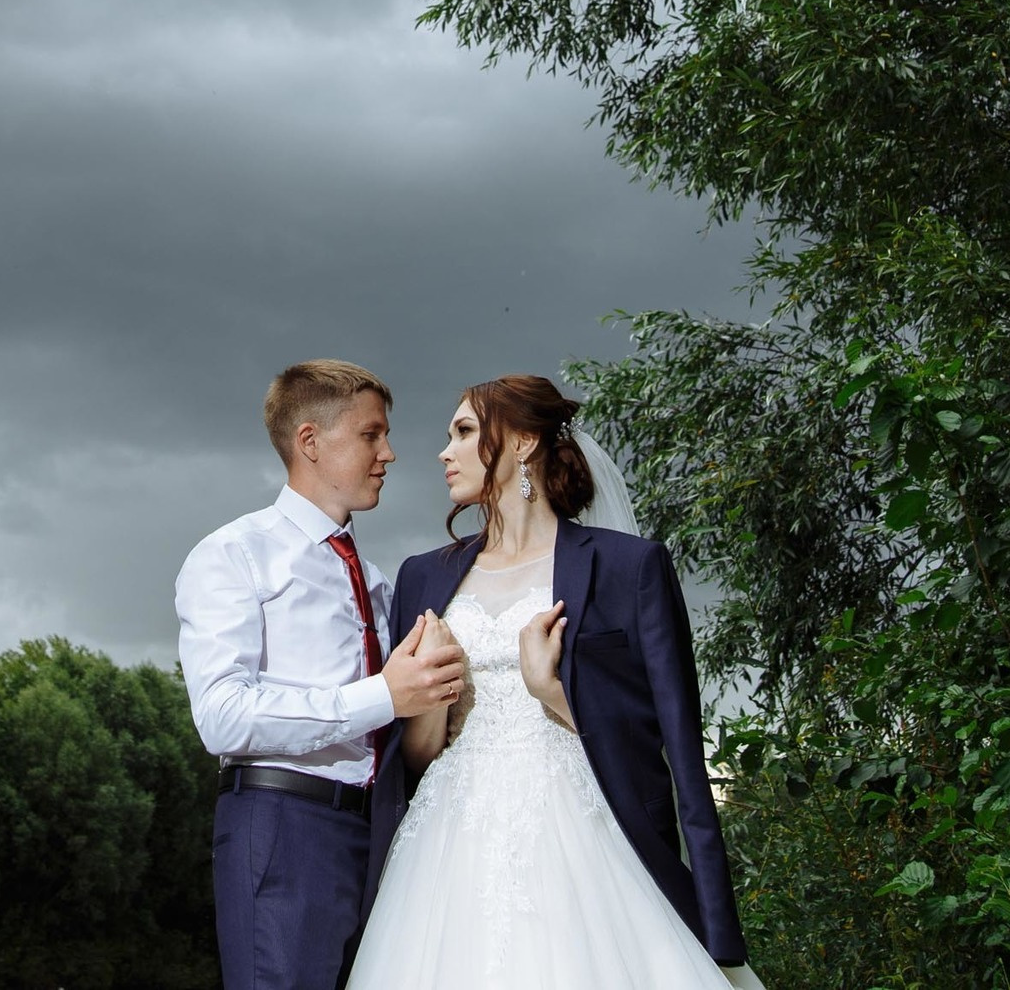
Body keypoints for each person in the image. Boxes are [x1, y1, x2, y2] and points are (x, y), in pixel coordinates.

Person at [350, 375, 760, 990]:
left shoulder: (629, 566)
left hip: (585, 839)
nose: (444, 452)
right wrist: (435, 692)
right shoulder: (420, 578)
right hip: (444, 853)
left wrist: (552, 691)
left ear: (521, 442)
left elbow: (671, 744)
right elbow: (416, 755)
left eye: (463, 432)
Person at [176, 360, 469, 990]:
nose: (389, 453)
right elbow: (223, 716)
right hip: (284, 828)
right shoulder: (233, 554)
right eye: (372, 435)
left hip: (385, 833)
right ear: (310, 441)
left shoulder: (382, 579)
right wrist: (382, 696)